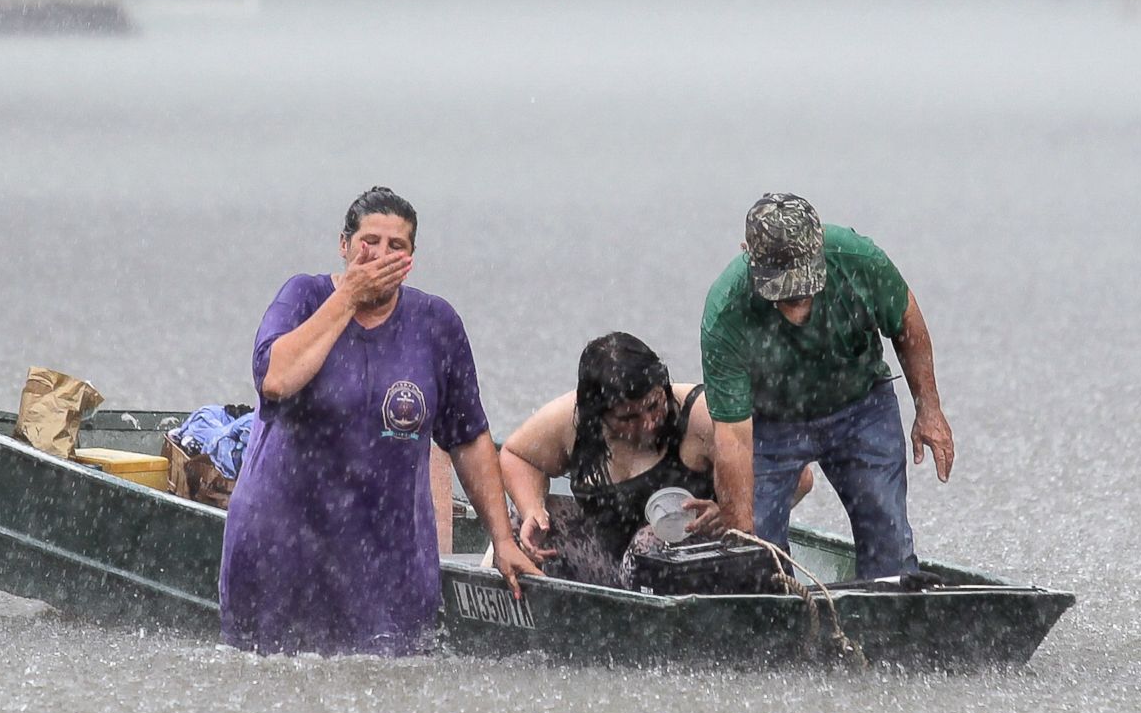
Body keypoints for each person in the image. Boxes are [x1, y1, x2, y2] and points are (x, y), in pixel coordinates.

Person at [220, 187, 539, 655]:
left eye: (397, 246)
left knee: (391, 697)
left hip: (388, 560)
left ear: (411, 258)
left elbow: (468, 438)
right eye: (369, 241)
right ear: (344, 244)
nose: (380, 255)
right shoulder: (302, 296)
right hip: (284, 546)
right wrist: (348, 295)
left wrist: (502, 539)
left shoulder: (435, 323)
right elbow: (276, 379)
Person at [699, 192, 954, 580]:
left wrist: (929, 409)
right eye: (782, 294)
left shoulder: (859, 260)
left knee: (884, 525)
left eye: (803, 291)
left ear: (819, 249)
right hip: (771, 423)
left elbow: (907, 321)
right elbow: (733, 438)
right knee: (756, 547)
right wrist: (741, 531)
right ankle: (772, 610)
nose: (796, 306)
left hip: (861, 407)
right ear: (747, 255)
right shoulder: (726, 312)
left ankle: (890, 608)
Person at [498, 332, 812, 589]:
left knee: (650, 544)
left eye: (653, 406)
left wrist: (735, 512)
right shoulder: (571, 422)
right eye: (628, 417)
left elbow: (798, 476)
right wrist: (532, 509)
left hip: (711, 566)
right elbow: (518, 456)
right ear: (599, 415)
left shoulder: (704, 417)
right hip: (614, 567)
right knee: (520, 527)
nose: (647, 424)